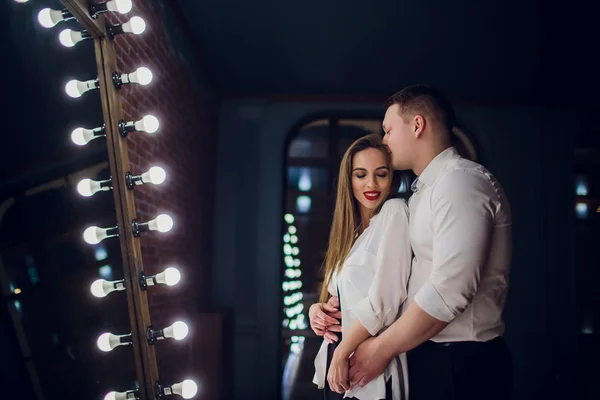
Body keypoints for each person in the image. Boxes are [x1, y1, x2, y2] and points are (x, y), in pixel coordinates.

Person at [347, 85, 513, 400]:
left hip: (462, 361)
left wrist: (380, 349)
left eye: (388, 130)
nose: (384, 141)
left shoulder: (461, 182)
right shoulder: (422, 194)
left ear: (418, 125)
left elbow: (450, 289)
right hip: (428, 355)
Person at [310, 134, 412, 400]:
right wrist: (316, 311)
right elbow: (339, 294)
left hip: (367, 366)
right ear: (349, 180)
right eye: (360, 175)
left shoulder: (394, 212)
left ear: (392, 178)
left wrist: (343, 351)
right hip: (337, 360)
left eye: (381, 174)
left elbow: (386, 300)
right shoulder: (350, 233)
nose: (371, 184)